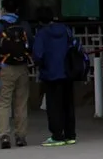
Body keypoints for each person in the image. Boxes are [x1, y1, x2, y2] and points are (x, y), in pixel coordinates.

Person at [32, 11, 87, 147]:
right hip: (68, 72)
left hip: (51, 74)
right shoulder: (65, 30)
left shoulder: (42, 34)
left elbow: (38, 55)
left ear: (40, 22)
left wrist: (40, 64)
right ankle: (70, 134)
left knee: (54, 106)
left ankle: (57, 135)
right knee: (68, 104)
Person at [0, 4, 33, 149]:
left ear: (3, 10)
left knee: (4, 102)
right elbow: (30, 44)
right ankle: (20, 136)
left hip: (5, 67)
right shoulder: (24, 25)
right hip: (22, 67)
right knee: (21, 103)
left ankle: (4, 136)